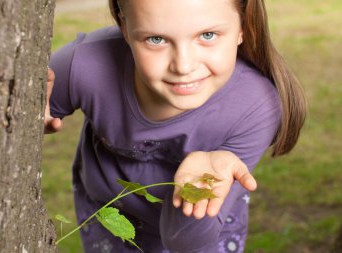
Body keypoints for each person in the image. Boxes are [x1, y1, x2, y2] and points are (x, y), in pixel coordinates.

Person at [45, 0, 306, 252]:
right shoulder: (84, 65)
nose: (183, 66)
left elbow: (185, 243)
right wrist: (39, 114)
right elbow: (32, 114)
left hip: (201, 235)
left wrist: (198, 194)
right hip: (112, 219)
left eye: (208, 35)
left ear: (243, 26)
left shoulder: (254, 107)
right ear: (124, 27)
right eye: (156, 39)